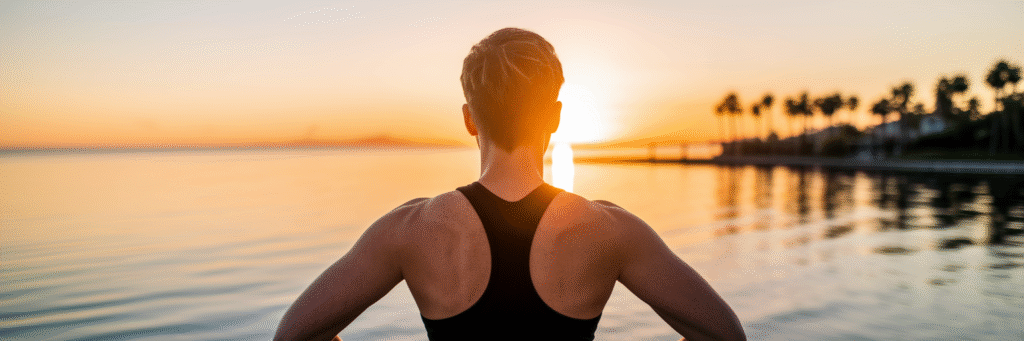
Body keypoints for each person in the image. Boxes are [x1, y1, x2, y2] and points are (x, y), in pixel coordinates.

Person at [274, 27, 746, 341]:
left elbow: (293, 335)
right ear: (555, 117)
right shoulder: (610, 230)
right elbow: (725, 334)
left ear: (468, 119)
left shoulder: (409, 230)